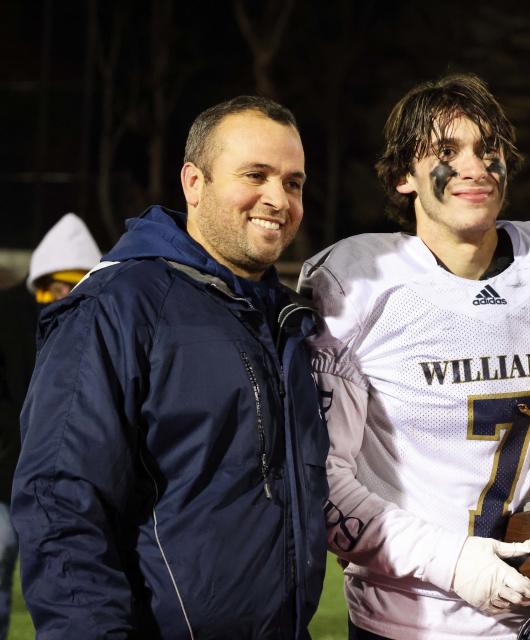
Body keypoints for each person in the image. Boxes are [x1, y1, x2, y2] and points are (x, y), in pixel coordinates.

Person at [298, 73, 530, 640]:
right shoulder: (362, 287)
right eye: (447, 151)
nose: (476, 166)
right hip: (412, 623)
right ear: (401, 176)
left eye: (489, 150)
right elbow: (324, 484)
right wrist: (452, 561)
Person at [12, 96, 329, 638]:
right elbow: (62, 502)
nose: (278, 199)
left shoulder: (284, 320)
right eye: (255, 175)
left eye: (293, 182)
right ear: (194, 183)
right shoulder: (119, 305)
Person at [0, 212, 101, 639]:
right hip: (7, 480)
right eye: (58, 286)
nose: (65, 296)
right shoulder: (10, 321)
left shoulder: (107, 326)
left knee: (75, 592)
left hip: (74, 488)